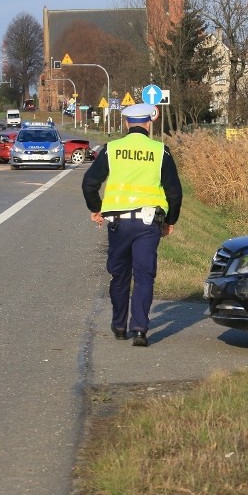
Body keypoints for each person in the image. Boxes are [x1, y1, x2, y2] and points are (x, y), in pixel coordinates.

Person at [81, 103, 183, 347]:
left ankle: (118, 326)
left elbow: (89, 184)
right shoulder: (161, 152)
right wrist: (170, 221)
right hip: (148, 224)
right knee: (144, 275)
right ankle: (139, 330)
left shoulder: (112, 149)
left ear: (126, 123)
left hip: (118, 224)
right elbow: (175, 193)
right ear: (149, 123)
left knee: (119, 275)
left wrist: (96, 209)